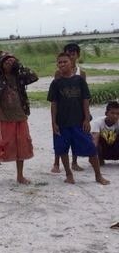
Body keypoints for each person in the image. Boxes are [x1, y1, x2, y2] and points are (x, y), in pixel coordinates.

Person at [47, 52, 109, 186]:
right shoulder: (56, 83)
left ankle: (98, 175)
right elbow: (53, 104)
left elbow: (85, 100)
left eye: (65, 62)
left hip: (79, 123)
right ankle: (69, 174)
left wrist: (87, 119)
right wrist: (54, 123)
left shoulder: (79, 80)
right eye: (59, 62)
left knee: (91, 149)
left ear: (71, 63)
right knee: (62, 150)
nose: (62, 64)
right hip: (62, 123)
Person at [0, 51, 38, 186]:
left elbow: (34, 76)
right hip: (4, 118)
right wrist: (1, 53)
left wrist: (18, 65)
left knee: (22, 147)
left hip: (20, 116)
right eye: (6, 61)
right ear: (1, 64)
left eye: (12, 62)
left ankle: (20, 176)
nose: (9, 63)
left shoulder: (19, 77)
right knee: (1, 146)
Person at [51, 42, 87, 173]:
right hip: (62, 110)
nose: (71, 56)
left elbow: (84, 94)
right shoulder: (58, 72)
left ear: (77, 55)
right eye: (68, 53)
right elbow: (55, 94)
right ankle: (56, 163)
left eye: (73, 54)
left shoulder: (81, 73)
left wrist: (85, 115)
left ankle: (74, 162)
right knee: (59, 137)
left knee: (76, 137)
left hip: (76, 109)